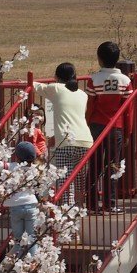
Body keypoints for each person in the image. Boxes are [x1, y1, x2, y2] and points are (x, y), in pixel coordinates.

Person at [33, 63, 93, 205]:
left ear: (56, 77)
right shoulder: (83, 95)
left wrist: (25, 82)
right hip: (86, 141)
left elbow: (36, 87)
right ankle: (78, 209)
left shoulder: (56, 88)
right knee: (79, 179)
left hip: (66, 143)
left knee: (65, 181)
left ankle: (66, 212)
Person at [86, 42, 132, 212]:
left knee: (95, 165)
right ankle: (110, 203)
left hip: (96, 126)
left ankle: (91, 204)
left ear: (99, 59)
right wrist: (128, 131)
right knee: (113, 165)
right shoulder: (126, 81)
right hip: (116, 127)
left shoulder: (94, 80)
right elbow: (128, 111)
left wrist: (87, 123)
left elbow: (91, 106)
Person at [3, 141, 41, 260]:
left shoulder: (13, 167)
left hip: (16, 207)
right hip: (31, 205)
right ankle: (32, 260)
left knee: (18, 236)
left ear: (17, 156)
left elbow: (0, 165)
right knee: (32, 236)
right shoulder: (35, 169)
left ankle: (18, 255)